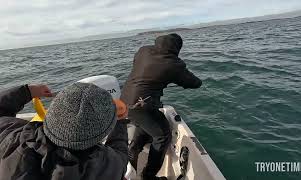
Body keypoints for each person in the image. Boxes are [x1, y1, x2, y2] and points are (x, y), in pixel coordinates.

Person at [0, 83, 128, 180]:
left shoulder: (11, 135)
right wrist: (121, 122)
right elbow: (120, 154)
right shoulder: (105, 165)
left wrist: (27, 91)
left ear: (53, 111)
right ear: (102, 133)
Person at [121, 33, 202, 180]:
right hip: (141, 105)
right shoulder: (173, 64)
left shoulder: (143, 50)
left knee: (146, 125)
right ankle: (149, 176)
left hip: (125, 100)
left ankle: (133, 150)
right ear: (176, 49)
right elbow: (194, 83)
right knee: (162, 136)